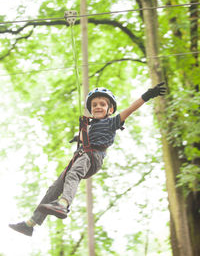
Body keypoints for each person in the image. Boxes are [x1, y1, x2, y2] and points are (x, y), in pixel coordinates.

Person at [9, 83, 166, 236]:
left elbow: (131, 109)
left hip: (93, 156)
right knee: (53, 189)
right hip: (83, 155)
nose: (98, 107)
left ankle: (63, 204)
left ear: (109, 109)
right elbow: (87, 139)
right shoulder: (90, 126)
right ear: (91, 109)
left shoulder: (112, 122)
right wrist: (81, 133)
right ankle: (30, 224)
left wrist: (148, 95)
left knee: (73, 175)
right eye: (94, 104)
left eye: (102, 104)